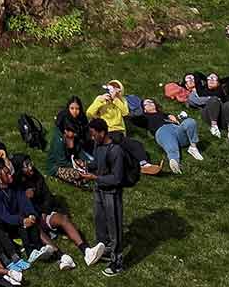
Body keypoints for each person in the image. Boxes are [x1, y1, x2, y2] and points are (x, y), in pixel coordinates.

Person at [84, 119, 131, 277]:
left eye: (93, 134)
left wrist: (95, 178)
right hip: (99, 190)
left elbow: (117, 178)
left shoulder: (116, 151)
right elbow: (98, 163)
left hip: (111, 193)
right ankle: (104, 249)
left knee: (114, 225)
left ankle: (117, 261)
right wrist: (86, 166)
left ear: (102, 133)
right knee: (100, 220)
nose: (92, 137)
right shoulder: (99, 145)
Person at [124, 98, 205, 173]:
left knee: (190, 121)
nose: (149, 104)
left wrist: (172, 117)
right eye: (146, 104)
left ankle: (193, 147)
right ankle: (175, 162)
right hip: (162, 132)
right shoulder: (144, 118)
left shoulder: (163, 114)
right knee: (171, 146)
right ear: (144, 109)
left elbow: (173, 118)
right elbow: (132, 119)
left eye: (151, 102)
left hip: (176, 129)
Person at [47, 95, 94, 173]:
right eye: (72, 108)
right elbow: (61, 161)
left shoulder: (82, 119)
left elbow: (85, 138)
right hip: (66, 156)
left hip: (81, 147)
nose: (75, 111)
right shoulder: (63, 121)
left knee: (93, 162)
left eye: (77, 108)